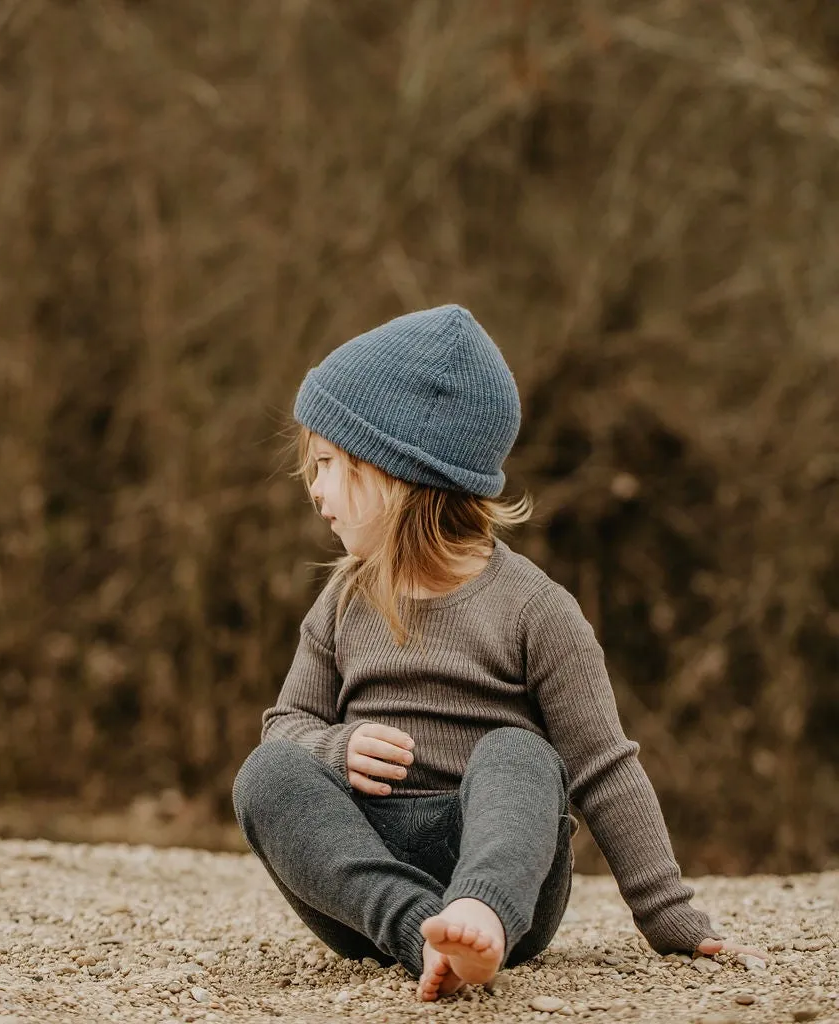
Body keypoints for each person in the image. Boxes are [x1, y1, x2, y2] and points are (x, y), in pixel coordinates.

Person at [232, 305, 765, 1001]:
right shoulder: (342, 601)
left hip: (505, 880)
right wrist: (335, 748)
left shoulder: (534, 609)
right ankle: (423, 930)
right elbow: (287, 724)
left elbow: (603, 768)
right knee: (266, 773)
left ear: (396, 472)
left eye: (328, 463)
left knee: (521, 754)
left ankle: (476, 917)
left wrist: (668, 914)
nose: (313, 486)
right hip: (369, 881)